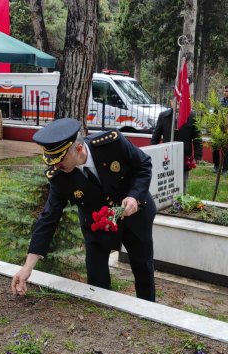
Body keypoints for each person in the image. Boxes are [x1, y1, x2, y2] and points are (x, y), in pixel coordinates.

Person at [11, 118, 157, 302]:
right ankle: (101, 315)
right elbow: (49, 218)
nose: (55, 166)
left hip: (133, 214)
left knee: (142, 266)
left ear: (78, 149)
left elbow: (143, 164)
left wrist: (135, 196)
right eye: (51, 161)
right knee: (96, 279)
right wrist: (27, 267)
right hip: (96, 225)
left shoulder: (113, 142)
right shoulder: (59, 176)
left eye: (60, 160)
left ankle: (149, 310)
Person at [151, 100, 202, 192]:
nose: (178, 103)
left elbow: (197, 137)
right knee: (167, 179)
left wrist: (198, 155)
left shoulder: (191, 116)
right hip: (167, 155)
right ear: (171, 102)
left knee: (182, 181)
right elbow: (156, 135)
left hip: (184, 154)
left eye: (180, 101)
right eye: (176, 101)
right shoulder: (163, 116)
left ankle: (181, 199)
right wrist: (151, 152)